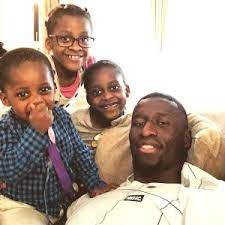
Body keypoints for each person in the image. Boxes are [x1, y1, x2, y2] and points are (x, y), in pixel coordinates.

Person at [66, 92, 225, 225]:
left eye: (162, 123)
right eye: (138, 123)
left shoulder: (212, 198)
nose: (146, 131)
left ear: (186, 139)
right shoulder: (87, 202)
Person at [0, 48, 114, 225]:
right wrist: (37, 131)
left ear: (54, 86)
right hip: (22, 205)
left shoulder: (61, 117)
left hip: (61, 201)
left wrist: (94, 183)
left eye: (44, 90)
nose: (37, 100)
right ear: (5, 99)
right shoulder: (5, 128)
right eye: (23, 94)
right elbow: (8, 171)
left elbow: (79, 153)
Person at [71, 60, 133, 185]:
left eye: (114, 88)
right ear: (88, 98)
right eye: (97, 92)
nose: (107, 97)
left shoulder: (134, 125)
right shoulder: (73, 123)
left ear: (126, 90)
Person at [45, 4, 96, 113]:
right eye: (65, 39)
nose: (76, 47)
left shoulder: (89, 66)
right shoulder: (41, 71)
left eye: (84, 39)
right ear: (49, 44)